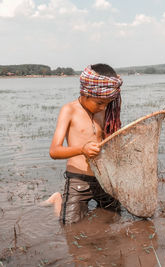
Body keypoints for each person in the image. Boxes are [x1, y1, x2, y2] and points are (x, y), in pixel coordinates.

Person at [46, 63, 123, 224]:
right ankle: (57, 200)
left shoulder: (104, 109)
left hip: (103, 178)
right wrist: (82, 149)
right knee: (69, 225)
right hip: (78, 179)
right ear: (85, 93)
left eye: (107, 103)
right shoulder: (69, 110)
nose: (103, 107)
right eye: (99, 103)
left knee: (115, 217)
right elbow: (54, 151)